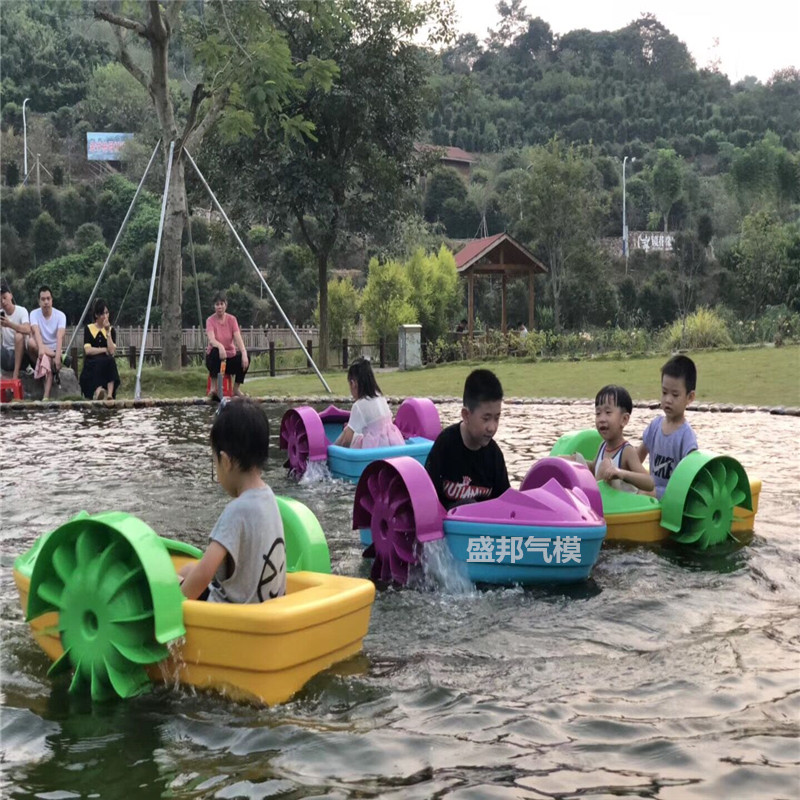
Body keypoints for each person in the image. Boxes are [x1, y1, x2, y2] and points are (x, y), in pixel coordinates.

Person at [179, 398, 286, 603]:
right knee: (189, 568)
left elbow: (204, 573)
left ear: (226, 461)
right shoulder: (269, 498)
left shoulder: (237, 510)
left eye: (215, 462)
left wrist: (174, 603)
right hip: (263, 607)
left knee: (175, 579)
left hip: (231, 613)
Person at [425, 368, 510, 509]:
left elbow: (505, 505)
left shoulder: (494, 455)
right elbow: (428, 499)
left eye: (497, 418)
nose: (492, 427)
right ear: (466, 415)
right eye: (486, 418)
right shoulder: (445, 445)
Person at [637, 355, 698, 499]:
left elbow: (690, 480)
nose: (668, 400)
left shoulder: (686, 436)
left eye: (675, 395)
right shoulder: (655, 426)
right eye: (664, 393)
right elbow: (636, 458)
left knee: (643, 493)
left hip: (672, 497)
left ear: (690, 397)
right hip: (651, 491)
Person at [580, 385, 654, 494]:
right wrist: (574, 461)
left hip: (622, 502)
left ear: (624, 419)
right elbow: (593, 467)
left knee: (606, 465)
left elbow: (649, 482)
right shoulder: (602, 446)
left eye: (608, 412)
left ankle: (591, 498)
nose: (601, 419)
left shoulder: (627, 451)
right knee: (575, 460)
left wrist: (622, 474)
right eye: (598, 413)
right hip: (605, 500)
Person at [333, 357, 404, 449]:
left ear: (353, 383)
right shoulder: (380, 397)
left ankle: (331, 447)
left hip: (374, 449)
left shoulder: (359, 406)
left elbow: (346, 441)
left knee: (350, 434)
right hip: (393, 443)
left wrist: (335, 451)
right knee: (351, 429)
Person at [205, 292, 249, 399]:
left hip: (229, 358)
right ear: (214, 306)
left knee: (245, 358)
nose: (219, 307)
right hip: (215, 359)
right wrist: (220, 347)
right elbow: (211, 339)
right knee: (215, 351)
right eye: (217, 304)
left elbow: (238, 337)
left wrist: (244, 353)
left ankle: (236, 389)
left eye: (221, 304)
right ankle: (213, 388)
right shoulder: (210, 320)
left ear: (226, 305)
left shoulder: (232, 319)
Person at [29, 285, 66, 400]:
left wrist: (57, 355)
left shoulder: (60, 315)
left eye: (48, 299)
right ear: (39, 301)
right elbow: (36, 332)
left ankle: (46, 397)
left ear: (52, 300)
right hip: (39, 348)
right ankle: (54, 356)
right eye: (43, 299)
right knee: (31, 342)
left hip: (53, 348)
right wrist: (41, 348)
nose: (46, 302)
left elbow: (60, 336)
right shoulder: (34, 313)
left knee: (47, 360)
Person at [79, 298, 121, 400]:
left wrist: (107, 332)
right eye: (102, 314)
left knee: (111, 361)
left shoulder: (111, 330)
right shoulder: (89, 329)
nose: (105, 316)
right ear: (96, 315)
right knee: (96, 363)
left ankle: (110, 394)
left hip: (106, 359)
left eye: (107, 313)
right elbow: (88, 351)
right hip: (92, 360)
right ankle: (98, 391)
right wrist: (103, 350)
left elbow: (111, 351)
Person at [0, 282, 33, 380]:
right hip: (5, 356)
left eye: (4, 297)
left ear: (10, 295)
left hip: (20, 356)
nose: (3, 302)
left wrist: (9, 324)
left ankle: (16, 373)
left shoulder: (21, 311)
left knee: (19, 335)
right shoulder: (1, 313)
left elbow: (27, 329)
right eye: (0, 300)